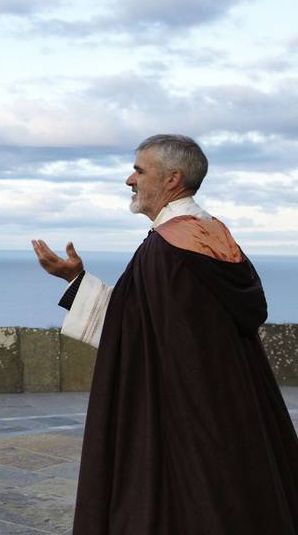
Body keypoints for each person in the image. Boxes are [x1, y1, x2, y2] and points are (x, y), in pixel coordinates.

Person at [32, 134, 298, 534]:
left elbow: (133, 330)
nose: (129, 180)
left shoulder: (165, 248)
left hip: (180, 409)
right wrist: (76, 279)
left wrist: (76, 283)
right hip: (236, 402)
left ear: (172, 179)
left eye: (139, 170)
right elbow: (188, 317)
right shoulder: (216, 234)